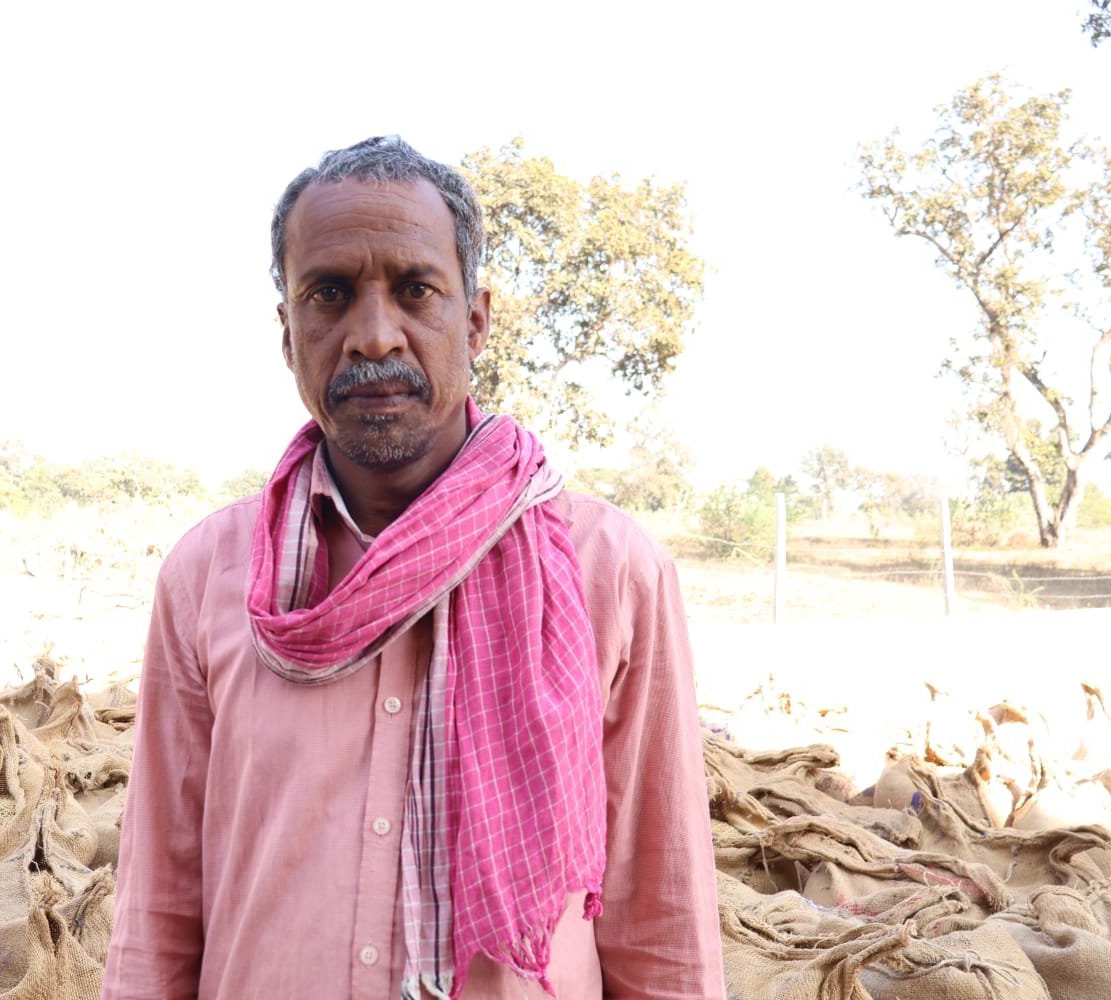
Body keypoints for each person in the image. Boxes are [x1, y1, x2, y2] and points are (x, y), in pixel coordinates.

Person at [103, 136, 724, 999]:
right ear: (288, 334)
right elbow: (159, 911)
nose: (373, 335)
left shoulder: (610, 571)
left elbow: (662, 920)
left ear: (476, 321)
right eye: (329, 293)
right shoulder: (207, 576)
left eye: (415, 289)